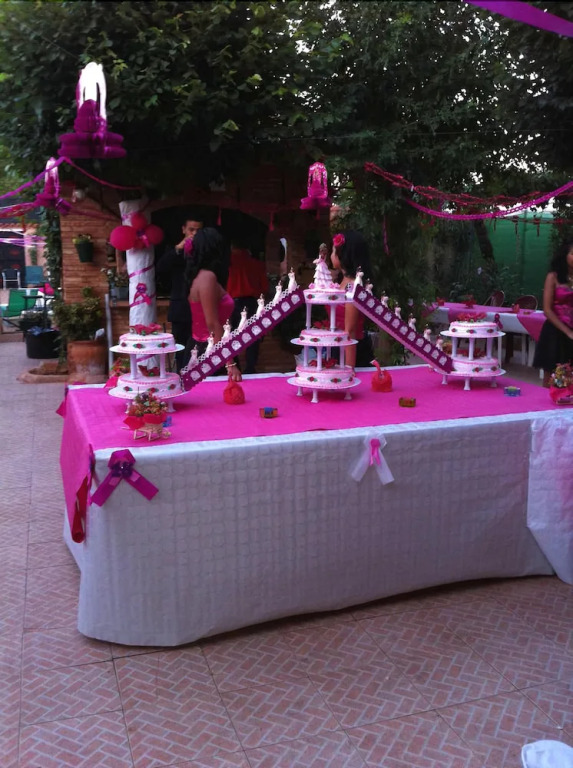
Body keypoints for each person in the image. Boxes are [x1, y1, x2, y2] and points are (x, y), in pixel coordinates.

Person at [184, 228, 241, 381]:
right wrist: (229, 363)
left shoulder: (202, 276)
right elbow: (212, 324)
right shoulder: (207, 277)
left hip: (214, 347)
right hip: (210, 351)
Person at [155, 215, 203, 368]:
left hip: (201, 305)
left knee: (200, 346)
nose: (194, 234)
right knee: (181, 346)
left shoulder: (205, 250)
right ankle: (181, 375)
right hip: (180, 306)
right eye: (191, 230)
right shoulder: (175, 250)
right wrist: (178, 249)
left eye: (198, 231)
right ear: (184, 230)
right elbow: (160, 268)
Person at [330, 230, 374, 368]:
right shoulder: (343, 282)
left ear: (343, 255)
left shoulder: (352, 287)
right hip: (338, 346)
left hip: (351, 352)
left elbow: (350, 331)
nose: (331, 255)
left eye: (333, 251)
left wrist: (349, 369)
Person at [533, 240, 573, 386]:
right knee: (551, 378)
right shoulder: (553, 277)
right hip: (555, 332)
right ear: (564, 255)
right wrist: (568, 332)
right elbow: (547, 310)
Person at [227, 238, 269, 374]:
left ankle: (235, 367)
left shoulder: (227, 264)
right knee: (253, 335)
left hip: (232, 302)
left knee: (231, 336)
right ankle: (250, 367)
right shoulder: (257, 264)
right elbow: (264, 288)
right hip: (252, 302)